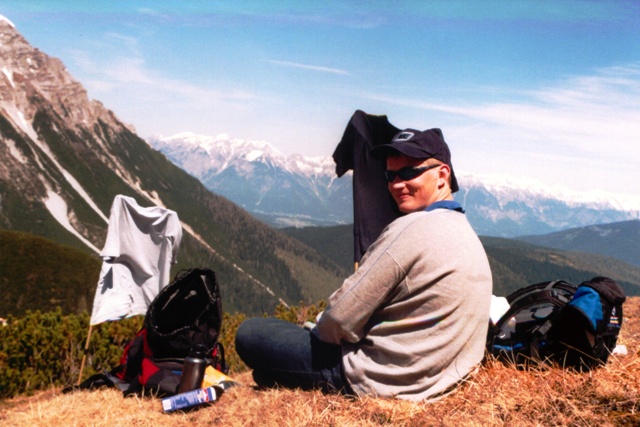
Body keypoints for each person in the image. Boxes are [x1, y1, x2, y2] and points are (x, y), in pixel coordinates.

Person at [235, 128, 493, 401]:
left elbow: (339, 319)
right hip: (436, 376)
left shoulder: (411, 228)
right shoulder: (464, 231)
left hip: (377, 378)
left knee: (251, 333)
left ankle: (276, 374)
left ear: (442, 175)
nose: (396, 184)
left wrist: (322, 329)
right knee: (271, 362)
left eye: (409, 173)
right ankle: (274, 375)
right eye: (390, 175)